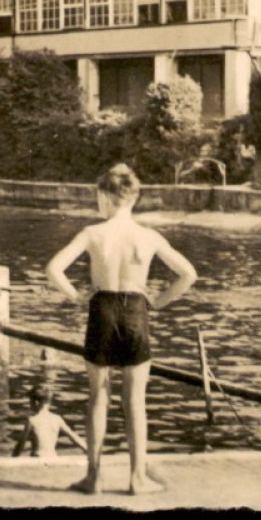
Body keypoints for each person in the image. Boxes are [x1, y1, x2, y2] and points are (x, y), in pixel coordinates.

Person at [44, 163, 198, 495]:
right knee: (135, 401)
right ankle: (137, 478)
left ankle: (94, 477)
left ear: (104, 196)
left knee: (98, 396)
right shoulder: (148, 236)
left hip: (101, 309)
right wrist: (158, 302)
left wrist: (75, 297)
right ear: (134, 198)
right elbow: (188, 274)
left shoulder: (92, 233)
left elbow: (54, 268)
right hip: (135, 311)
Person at [13, 384, 85, 458]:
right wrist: (87, 450)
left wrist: (13, 458)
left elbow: (21, 445)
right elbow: (74, 437)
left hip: (38, 457)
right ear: (49, 402)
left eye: (30, 402)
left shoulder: (32, 420)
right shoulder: (57, 419)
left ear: (36, 402)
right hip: (53, 457)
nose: (30, 405)